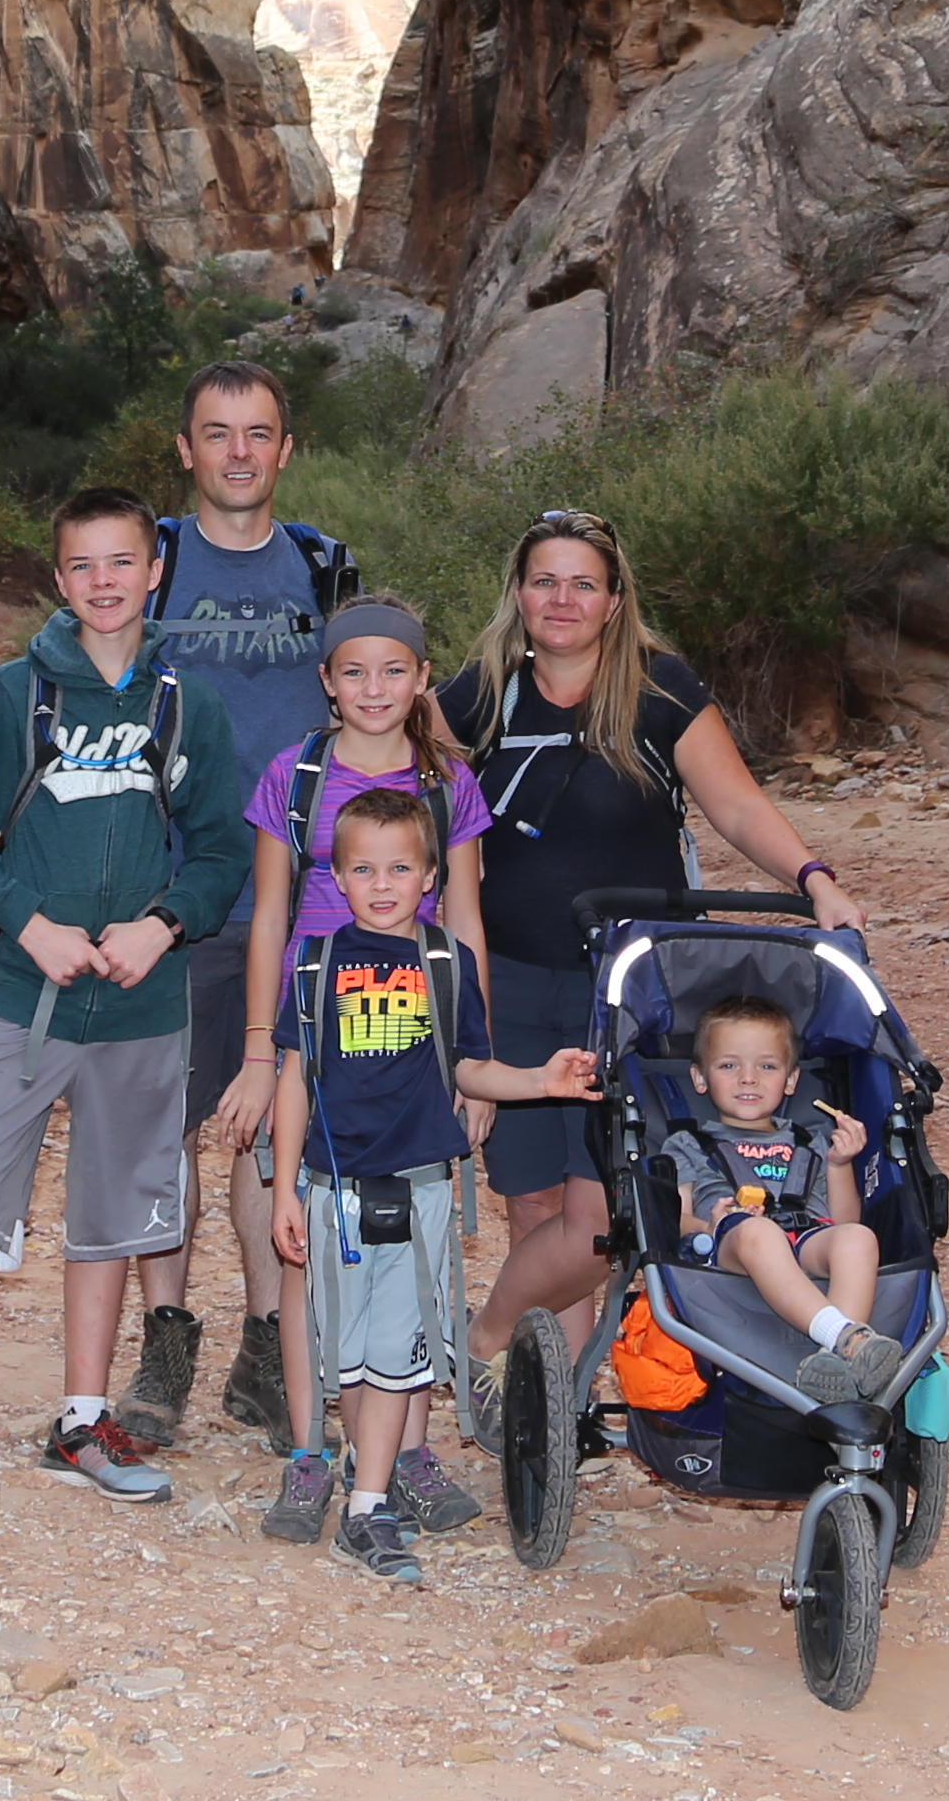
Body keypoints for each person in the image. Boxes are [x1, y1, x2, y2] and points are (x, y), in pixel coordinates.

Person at [0, 486, 245, 1511]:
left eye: (123, 563)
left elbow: (221, 849)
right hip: (22, 1001)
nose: (104, 583)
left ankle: (84, 1420)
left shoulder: (185, 705)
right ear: (59, 577)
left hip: (142, 1008)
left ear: (156, 568)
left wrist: (163, 924)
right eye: (83, 566)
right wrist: (28, 920)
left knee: (112, 1218)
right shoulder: (14, 697)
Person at [438, 506, 866, 1399]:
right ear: (518, 593)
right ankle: (553, 1404)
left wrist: (815, 877)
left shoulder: (659, 689)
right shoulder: (474, 696)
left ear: (614, 598)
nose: (562, 599)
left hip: (627, 984)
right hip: (508, 977)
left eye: (582, 583)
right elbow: (405, 807)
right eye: (545, 581)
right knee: (532, 1203)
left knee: (602, 1215)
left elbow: (737, 807)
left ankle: (481, 1339)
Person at [254, 786, 595, 1581]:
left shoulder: (446, 963)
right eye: (364, 868)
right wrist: (282, 1193)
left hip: (419, 1188)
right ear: (336, 877)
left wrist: (541, 1079)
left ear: (432, 874)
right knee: (343, 1349)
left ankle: (367, 1507)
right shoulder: (314, 964)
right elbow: (296, 1077)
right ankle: (333, 1473)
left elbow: (469, 1067)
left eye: (400, 867)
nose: (382, 884)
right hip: (333, 1189)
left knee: (397, 1357)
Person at [206, 599, 493, 1531]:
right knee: (307, 1259)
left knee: (415, 1253)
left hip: (414, 1048)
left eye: (395, 672)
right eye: (354, 673)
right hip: (314, 1041)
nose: (375, 691)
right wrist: (260, 1054)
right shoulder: (295, 777)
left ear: (421, 678)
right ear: (326, 680)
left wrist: (469, 1059)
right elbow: (272, 925)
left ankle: (406, 1452)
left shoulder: (448, 780)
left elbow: (466, 923)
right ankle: (308, 1451)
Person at [123, 360, 357, 1453]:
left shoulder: (321, 566)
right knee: (163, 1134)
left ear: (285, 449)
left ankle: (272, 1352)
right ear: (185, 448)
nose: (238, 453)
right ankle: (165, 1345)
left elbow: (373, 694)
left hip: (302, 898)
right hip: (171, 894)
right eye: (216, 433)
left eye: (258, 433)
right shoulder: (150, 562)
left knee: (276, 1140)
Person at [664, 997, 901, 1398]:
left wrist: (840, 1164)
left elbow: (843, 1222)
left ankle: (838, 1363)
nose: (748, 1078)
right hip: (732, 1245)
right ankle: (846, 1340)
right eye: (728, 1065)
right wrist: (708, 1224)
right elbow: (674, 1217)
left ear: (791, 1080)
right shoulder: (687, 1143)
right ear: (700, 1077)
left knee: (859, 1238)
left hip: (806, 1237)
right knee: (758, 1231)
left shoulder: (811, 1142)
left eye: (767, 1066)